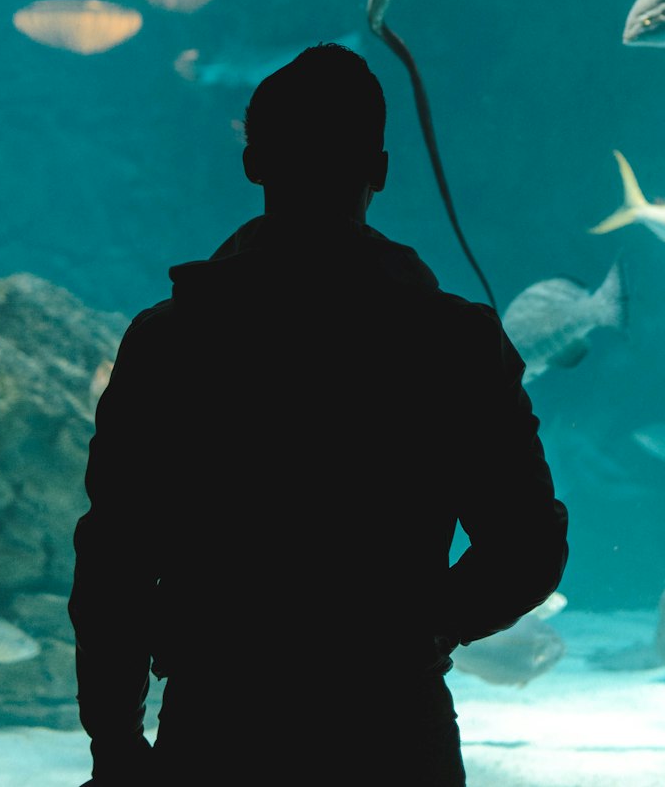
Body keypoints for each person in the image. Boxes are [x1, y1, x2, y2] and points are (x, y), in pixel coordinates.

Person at [69, 42, 568, 786]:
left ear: (253, 163)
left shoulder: (172, 341)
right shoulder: (455, 342)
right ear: (381, 171)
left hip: (218, 724)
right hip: (395, 728)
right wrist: (426, 626)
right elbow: (529, 546)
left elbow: (115, 561)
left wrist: (114, 742)